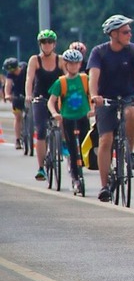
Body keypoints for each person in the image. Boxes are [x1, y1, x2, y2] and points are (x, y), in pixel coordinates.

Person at [87, 15, 134, 202]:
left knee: (132, 112)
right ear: (114, 34)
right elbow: (93, 77)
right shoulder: (99, 52)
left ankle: (129, 151)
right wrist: (95, 96)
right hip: (105, 99)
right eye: (125, 32)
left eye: (129, 31)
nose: (130, 34)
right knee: (105, 139)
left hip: (127, 96)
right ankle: (104, 186)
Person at [46, 49, 92, 193]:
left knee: (86, 145)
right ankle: (76, 178)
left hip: (83, 116)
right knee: (72, 149)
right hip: (68, 118)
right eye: (70, 64)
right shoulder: (61, 82)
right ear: (65, 65)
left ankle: (86, 166)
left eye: (76, 63)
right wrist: (55, 113)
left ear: (80, 64)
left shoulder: (85, 79)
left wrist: (93, 109)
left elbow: (94, 94)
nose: (73, 66)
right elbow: (51, 101)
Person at [25, 30, 65, 181]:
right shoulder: (35, 60)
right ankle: (41, 167)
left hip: (56, 98)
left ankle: (64, 144)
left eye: (49, 42)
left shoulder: (60, 60)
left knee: (65, 121)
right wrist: (29, 95)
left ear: (54, 44)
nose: (47, 45)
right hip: (40, 98)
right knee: (41, 130)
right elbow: (29, 79)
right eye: (44, 42)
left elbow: (67, 77)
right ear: (40, 45)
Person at [3, 57, 27, 149]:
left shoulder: (25, 68)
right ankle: (17, 140)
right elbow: (8, 85)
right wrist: (7, 95)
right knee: (18, 117)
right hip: (17, 95)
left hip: (28, 92)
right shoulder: (10, 75)